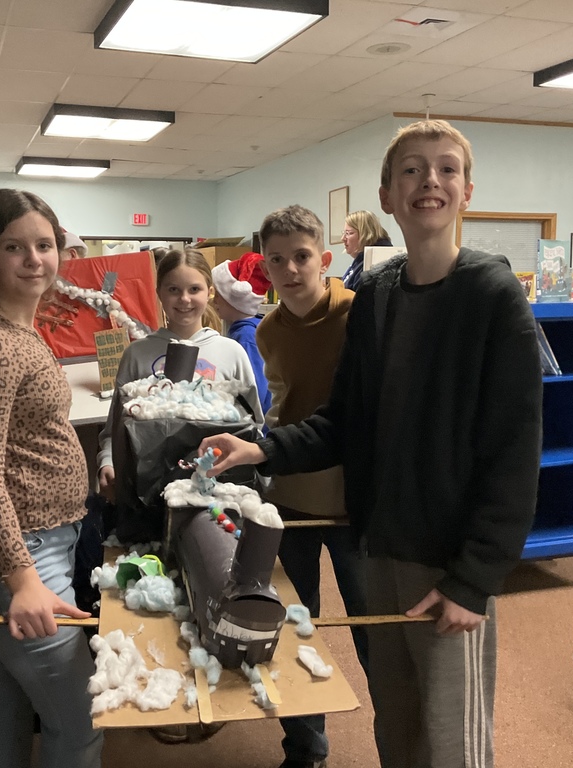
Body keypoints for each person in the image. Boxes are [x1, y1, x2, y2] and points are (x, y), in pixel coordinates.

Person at [200, 119, 542, 768]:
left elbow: (514, 449)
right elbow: (346, 419)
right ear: (386, 195)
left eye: (446, 168)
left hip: (448, 560)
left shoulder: (491, 295)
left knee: (454, 738)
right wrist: (262, 448)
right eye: (411, 169)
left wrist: (475, 578)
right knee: (399, 722)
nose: (429, 180)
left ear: (467, 191)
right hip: (379, 544)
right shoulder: (378, 296)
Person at [0, 189, 101, 767]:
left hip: (40, 541)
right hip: (15, 555)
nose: (35, 259)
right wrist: (24, 580)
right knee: (80, 715)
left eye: (44, 245)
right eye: (14, 246)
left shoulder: (16, 328)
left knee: (11, 690)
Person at [255, 205, 367, 768]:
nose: (290, 269)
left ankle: (402, 744)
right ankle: (305, 750)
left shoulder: (359, 312)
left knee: (375, 634)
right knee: (294, 631)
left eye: (301, 256)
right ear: (265, 268)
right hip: (291, 499)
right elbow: (282, 405)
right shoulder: (268, 329)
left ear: (323, 258)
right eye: (277, 260)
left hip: (354, 504)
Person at [96, 248, 265, 499]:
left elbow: (255, 425)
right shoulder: (137, 354)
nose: (184, 299)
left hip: (218, 486)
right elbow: (115, 428)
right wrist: (108, 461)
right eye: (173, 290)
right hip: (148, 490)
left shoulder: (232, 352)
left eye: (194, 289)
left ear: (210, 293)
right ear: (159, 294)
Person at [211, 250, 272, 418]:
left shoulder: (246, 337)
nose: (214, 300)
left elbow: (254, 392)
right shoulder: (245, 330)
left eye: (218, 295)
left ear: (234, 301)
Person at [341, 209, 392, 291]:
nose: (343, 238)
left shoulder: (374, 262)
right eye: (344, 233)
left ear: (365, 234)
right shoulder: (360, 261)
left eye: (348, 233)